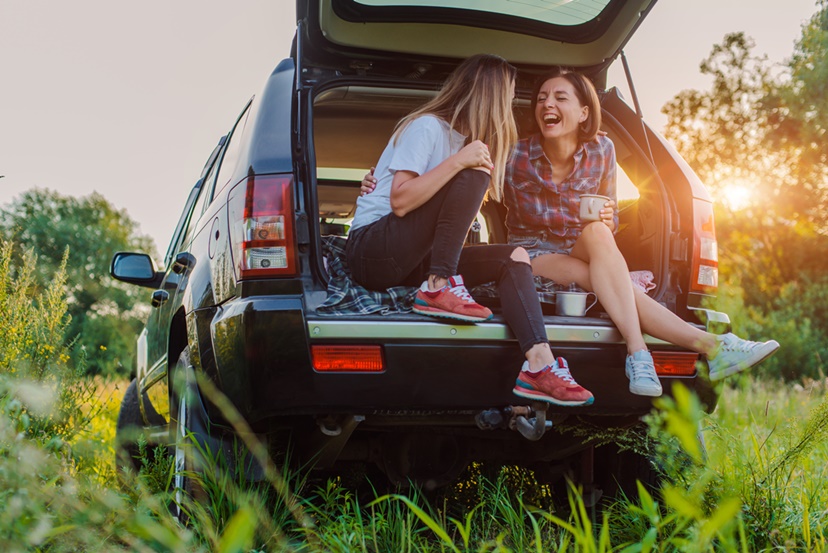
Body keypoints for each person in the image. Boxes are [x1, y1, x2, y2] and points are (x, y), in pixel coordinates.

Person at [502, 67, 779, 397]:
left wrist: (607, 218)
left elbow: (611, 218)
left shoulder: (602, 150)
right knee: (589, 271)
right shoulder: (514, 154)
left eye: (560, 97)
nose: (547, 104)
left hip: (579, 246)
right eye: (542, 98)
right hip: (530, 254)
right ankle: (675, 348)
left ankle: (673, 351)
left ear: (584, 112)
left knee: (599, 234)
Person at [347, 54, 594, 406]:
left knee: (514, 256)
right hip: (372, 251)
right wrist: (460, 162)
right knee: (477, 167)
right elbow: (400, 201)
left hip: (412, 257)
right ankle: (438, 287)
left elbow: (444, 226)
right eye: (508, 98)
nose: (510, 107)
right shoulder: (427, 126)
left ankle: (540, 365)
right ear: (489, 97)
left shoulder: (459, 143)